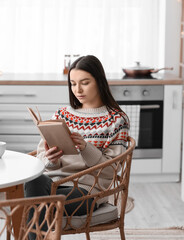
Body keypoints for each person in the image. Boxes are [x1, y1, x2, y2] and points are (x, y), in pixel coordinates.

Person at [25, 55, 129, 237]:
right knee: (33, 181)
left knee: (33, 204)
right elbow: (40, 158)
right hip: (53, 183)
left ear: (99, 81)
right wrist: (51, 160)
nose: (77, 89)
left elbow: (111, 170)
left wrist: (86, 148)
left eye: (85, 82)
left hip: (87, 191)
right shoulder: (62, 114)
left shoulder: (116, 120)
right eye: (73, 84)